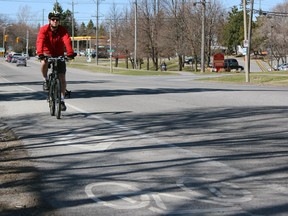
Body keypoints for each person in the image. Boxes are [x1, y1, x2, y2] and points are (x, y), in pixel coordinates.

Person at [36, 11, 75, 111]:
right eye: (53, 19)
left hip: (59, 53)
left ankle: (61, 100)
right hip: (46, 52)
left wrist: (70, 53)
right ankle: (45, 79)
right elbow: (40, 41)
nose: (55, 21)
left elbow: (67, 40)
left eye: (57, 20)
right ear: (49, 20)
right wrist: (40, 53)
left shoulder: (62, 30)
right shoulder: (44, 29)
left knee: (62, 77)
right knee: (44, 62)